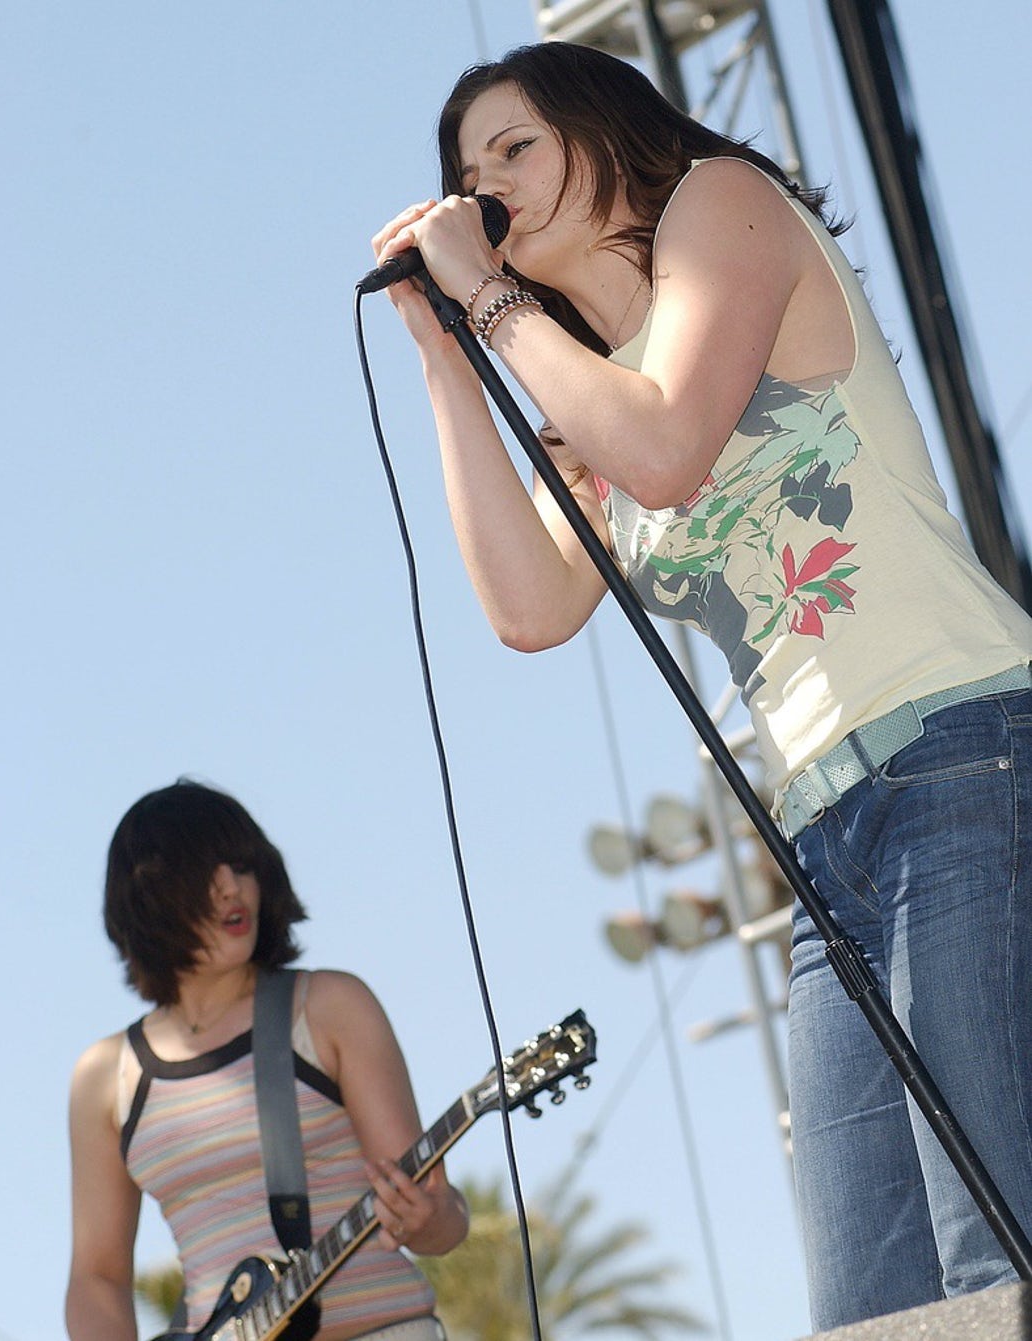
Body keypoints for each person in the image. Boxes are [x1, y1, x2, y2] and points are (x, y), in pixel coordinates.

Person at [371, 39, 1032, 1332]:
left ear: (604, 124)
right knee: (871, 1305)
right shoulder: (586, 395)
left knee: (989, 1254)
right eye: (465, 173)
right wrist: (443, 345)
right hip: (817, 841)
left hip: (953, 752)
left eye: (514, 146)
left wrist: (493, 306)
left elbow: (671, 445)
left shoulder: (720, 208)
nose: (485, 185)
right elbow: (527, 606)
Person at [65, 780, 467, 1340]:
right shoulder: (107, 1076)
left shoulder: (328, 1008)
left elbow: (432, 1216)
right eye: (205, 871)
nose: (233, 887)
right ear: (148, 896)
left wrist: (433, 1219)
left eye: (242, 865)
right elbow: (96, 1276)